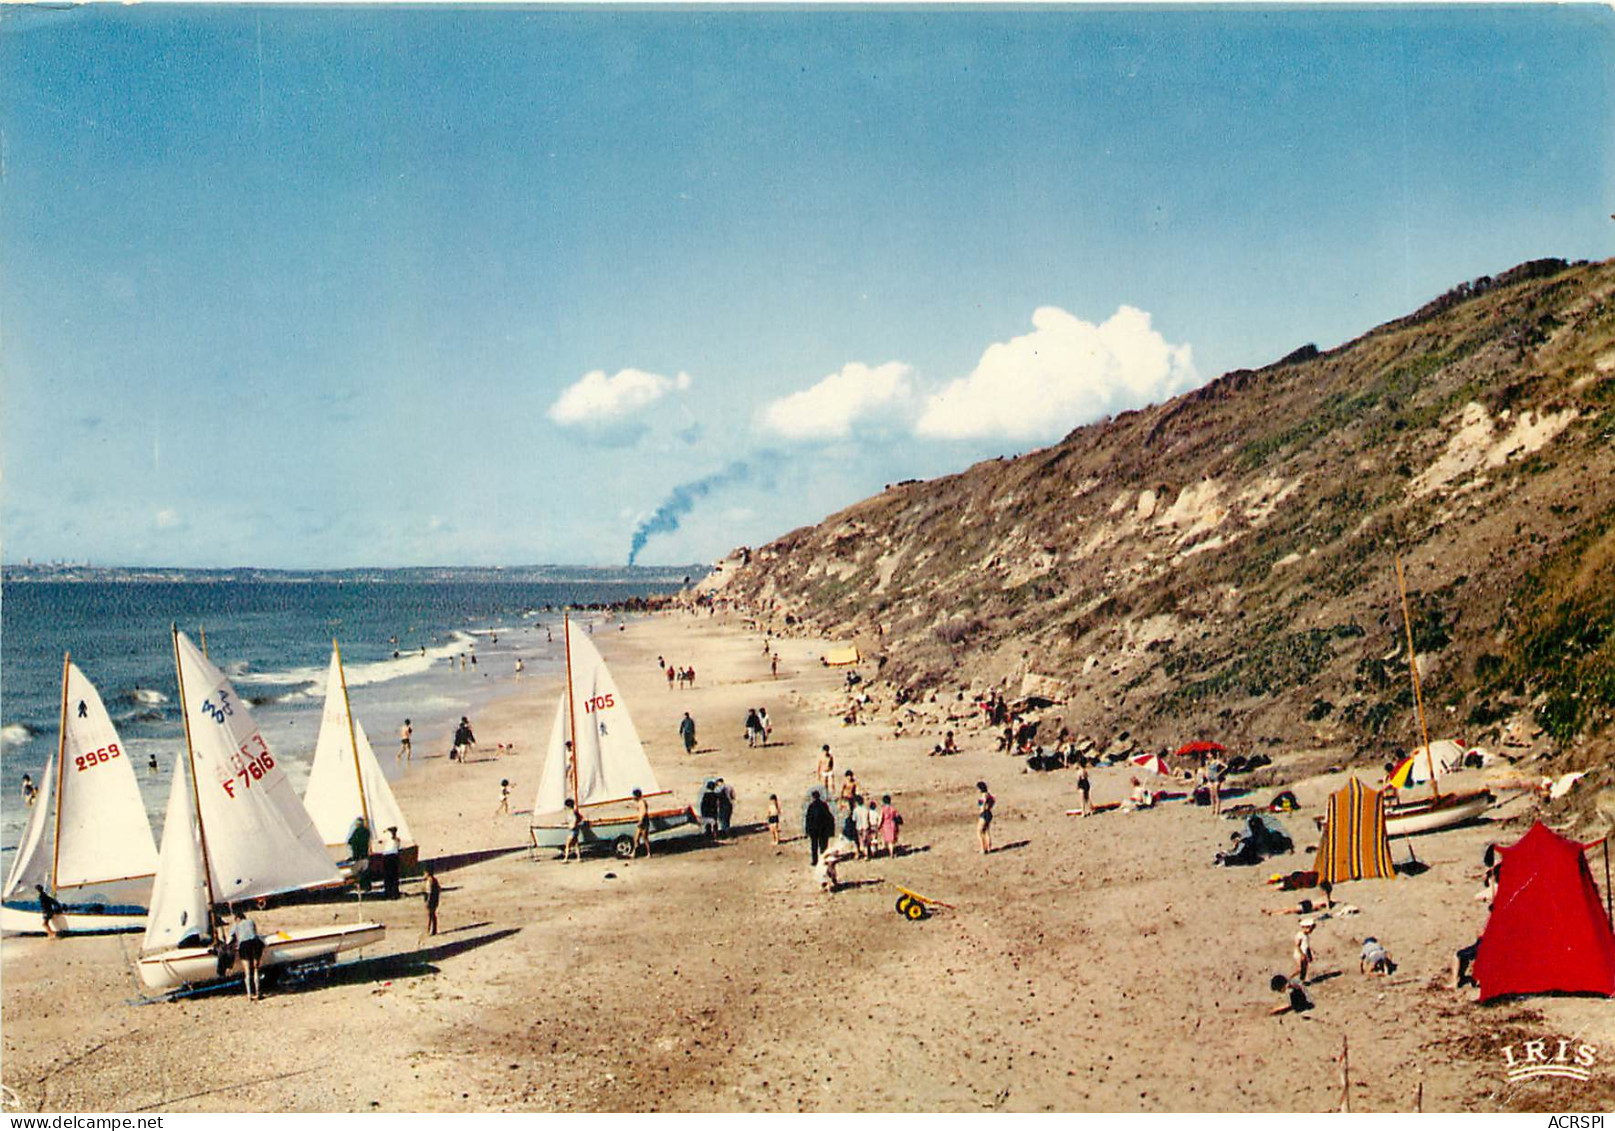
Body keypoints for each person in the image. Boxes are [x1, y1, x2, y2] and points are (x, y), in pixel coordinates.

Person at [230, 905, 265, 999]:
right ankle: (258, 992)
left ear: (237, 918)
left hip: (244, 945)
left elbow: (231, 938)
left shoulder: (236, 925)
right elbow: (255, 932)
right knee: (256, 968)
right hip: (255, 942)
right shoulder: (251, 921)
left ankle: (249, 994)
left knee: (247, 971)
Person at [1263, 882, 1335, 916]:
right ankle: (1272, 912)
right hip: (1308, 904)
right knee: (1290, 909)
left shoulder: (1325, 899)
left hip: (1308, 906)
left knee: (1289, 910)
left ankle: (1273, 913)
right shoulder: (1326, 899)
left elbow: (1327, 908)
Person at [804, 790, 835, 866]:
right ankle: (823, 859)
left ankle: (815, 860)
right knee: (823, 845)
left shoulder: (811, 806)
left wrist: (807, 830)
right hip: (823, 829)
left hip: (814, 829)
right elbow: (829, 817)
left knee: (814, 846)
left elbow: (808, 819)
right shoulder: (824, 805)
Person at [347, 816, 373, 891]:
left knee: (359, 873)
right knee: (366, 872)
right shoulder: (367, 831)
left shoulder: (357, 831)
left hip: (358, 856)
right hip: (365, 855)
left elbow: (350, 842)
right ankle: (367, 887)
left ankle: (362, 887)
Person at [878, 793, 902, 858]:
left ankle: (890, 852)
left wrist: (878, 825)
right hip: (892, 824)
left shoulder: (883, 809)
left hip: (886, 825)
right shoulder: (893, 809)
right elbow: (897, 816)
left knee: (888, 840)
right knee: (892, 839)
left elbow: (881, 818)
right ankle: (891, 851)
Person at [381, 826, 402, 899]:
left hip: (389, 856)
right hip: (392, 857)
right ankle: (392, 892)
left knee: (390, 876)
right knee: (392, 876)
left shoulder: (393, 840)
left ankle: (391, 893)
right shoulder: (395, 840)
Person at [633, 789, 652, 857]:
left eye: (634, 796)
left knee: (645, 838)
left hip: (644, 821)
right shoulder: (640, 802)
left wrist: (641, 821)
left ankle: (649, 853)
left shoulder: (642, 802)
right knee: (636, 838)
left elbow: (644, 812)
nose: (633, 797)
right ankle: (634, 853)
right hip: (641, 821)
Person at [977, 781, 995, 855]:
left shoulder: (984, 795)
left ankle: (983, 848)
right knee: (986, 831)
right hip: (989, 813)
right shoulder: (989, 795)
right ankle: (989, 847)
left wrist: (982, 809)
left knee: (979, 831)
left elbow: (984, 803)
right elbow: (993, 801)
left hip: (984, 813)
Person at [424, 866, 441, 936]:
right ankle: (433, 929)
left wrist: (428, 901)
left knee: (430, 915)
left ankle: (430, 930)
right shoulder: (434, 880)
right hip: (435, 900)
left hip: (431, 900)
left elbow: (429, 892)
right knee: (432, 915)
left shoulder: (430, 881)